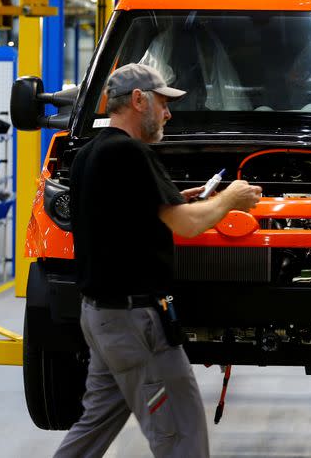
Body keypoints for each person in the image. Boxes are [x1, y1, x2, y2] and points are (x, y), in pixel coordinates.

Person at [55, 63, 262, 458]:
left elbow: (120, 214)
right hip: (135, 324)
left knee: (91, 430)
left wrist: (176, 196)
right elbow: (186, 226)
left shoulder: (89, 153)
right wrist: (230, 198)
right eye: (163, 103)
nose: (168, 113)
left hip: (101, 318)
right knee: (180, 435)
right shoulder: (130, 152)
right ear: (138, 100)